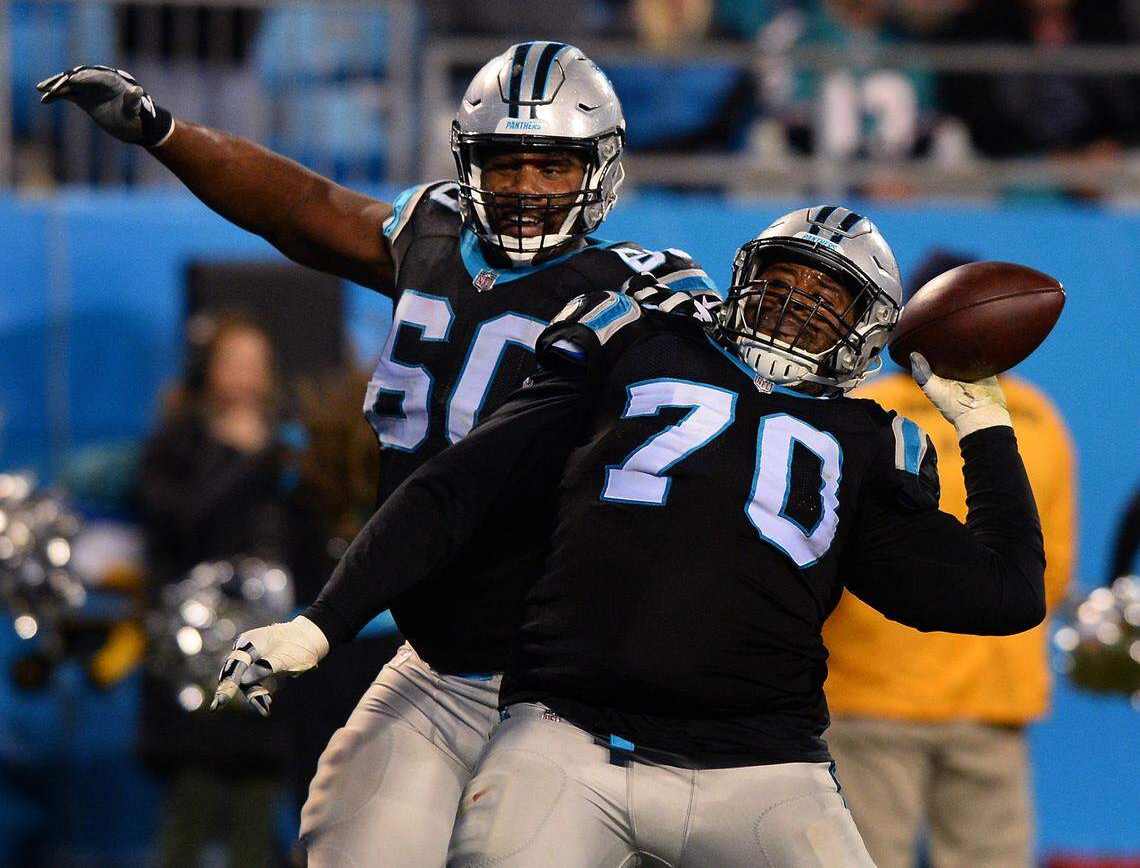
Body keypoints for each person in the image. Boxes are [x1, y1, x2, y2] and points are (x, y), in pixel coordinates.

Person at [40, 43, 717, 866]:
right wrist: (164, 132)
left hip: (570, 683)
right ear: (471, 162)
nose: (530, 188)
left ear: (599, 168)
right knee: (345, 846)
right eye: (508, 163)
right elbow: (298, 207)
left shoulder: (639, 293)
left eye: (553, 164)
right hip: (436, 664)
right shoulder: (431, 234)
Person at [220, 206, 1046, 866]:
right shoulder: (640, 344)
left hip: (763, 769)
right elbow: (459, 485)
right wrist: (321, 622)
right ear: (740, 279)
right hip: (572, 740)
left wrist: (985, 431)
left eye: (827, 298)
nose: (796, 306)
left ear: (864, 333)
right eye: (782, 282)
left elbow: (1003, 595)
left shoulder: (873, 439)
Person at [820, 250, 1076, 868]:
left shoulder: (860, 413)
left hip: (869, 691)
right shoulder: (1037, 418)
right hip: (993, 692)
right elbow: (1053, 568)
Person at [136, 313, 290, 867]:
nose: (248, 378)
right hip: (191, 653)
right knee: (193, 798)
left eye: (259, 366)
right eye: (235, 364)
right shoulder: (176, 443)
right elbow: (177, 524)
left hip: (268, 644)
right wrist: (244, 458)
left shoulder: (290, 445)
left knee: (258, 801)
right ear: (208, 371)